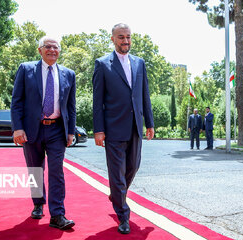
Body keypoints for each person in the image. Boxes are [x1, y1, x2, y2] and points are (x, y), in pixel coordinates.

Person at [92, 23, 154, 234]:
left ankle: (116, 193)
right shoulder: (102, 64)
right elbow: (97, 101)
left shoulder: (140, 63)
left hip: (135, 126)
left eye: (128, 37)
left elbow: (144, 95)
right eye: (121, 37)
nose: (125, 40)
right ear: (113, 39)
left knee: (133, 167)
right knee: (117, 175)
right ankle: (123, 216)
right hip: (113, 129)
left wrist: (150, 123)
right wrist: (98, 129)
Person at [11, 36, 76, 230]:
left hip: (57, 129)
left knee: (57, 171)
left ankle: (58, 214)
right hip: (32, 129)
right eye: (48, 46)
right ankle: (38, 203)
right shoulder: (26, 69)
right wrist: (18, 128)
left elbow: (71, 107)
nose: (52, 50)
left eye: (55, 47)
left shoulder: (69, 74)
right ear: (40, 50)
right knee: (35, 169)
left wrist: (70, 131)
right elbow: (17, 101)